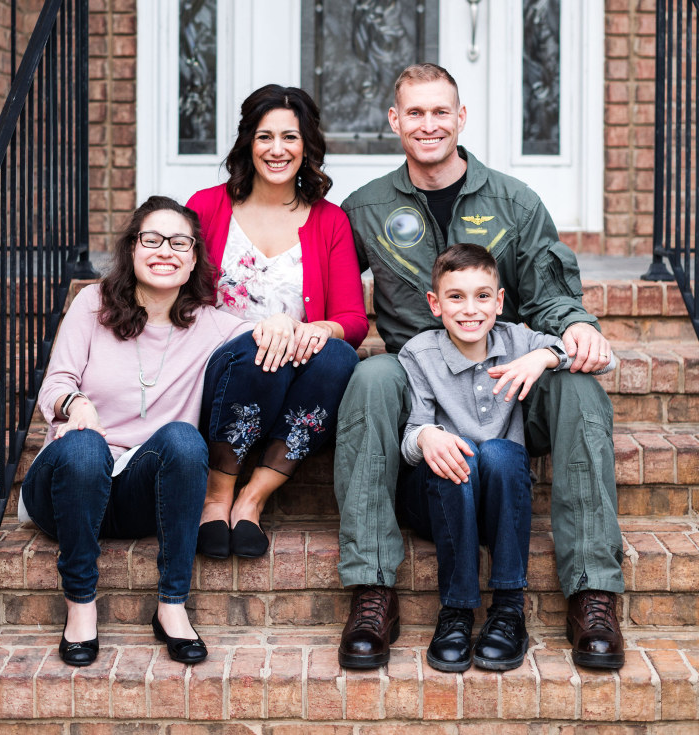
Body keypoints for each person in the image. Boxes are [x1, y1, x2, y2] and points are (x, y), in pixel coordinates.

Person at [334, 62, 625, 671]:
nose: (429, 123)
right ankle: (372, 588)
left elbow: (550, 294)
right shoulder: (365, 208)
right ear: (394, 121)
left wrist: (571, 329)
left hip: (506, 382)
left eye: (441, 111)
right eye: (415, 112)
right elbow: (327, 288)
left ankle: (592, 590)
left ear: (461, 118)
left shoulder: (514, 202)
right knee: (369, 375)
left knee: (580, 393)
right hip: (421, 386)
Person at [19, 196, 255, 667]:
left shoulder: (213, 326)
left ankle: (171, 608)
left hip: (140, 497)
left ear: (192, 261)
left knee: (185, 440)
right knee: (87, 447)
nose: (164, 250)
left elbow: (273, 335)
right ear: (132, 250)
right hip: (65, 485)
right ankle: (81, 608)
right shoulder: (93, 304)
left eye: (179, 242)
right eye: (151, 239)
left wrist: (299, 326)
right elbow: (57, 384)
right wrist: (76, 403)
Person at [399, 243, 615, 672]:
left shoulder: (518, 339)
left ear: (499, 301)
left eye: (482, 296)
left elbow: (606, 361)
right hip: (445, 500)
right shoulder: (419, 353)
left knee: (499, 453)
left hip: (503, 500)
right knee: (453, 450)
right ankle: (457, 611)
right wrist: (426, 437)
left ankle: (508, 610)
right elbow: (409, 437)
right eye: (455, 297)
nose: (469, 309)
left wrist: (545, 355)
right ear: (435, 304)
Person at [186, 84, 366, 560]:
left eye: (290, 136)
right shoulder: (207, 207)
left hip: (295, 371)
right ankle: (216, 494)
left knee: (337, 359)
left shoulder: (329, 221)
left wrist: (316, 328)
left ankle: (252, 498)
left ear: (307, 145)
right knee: (256, 352)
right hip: (221, 369)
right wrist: (257, 330)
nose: (277, 149)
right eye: (265, 136)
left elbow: (351, 317)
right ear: (249, 141)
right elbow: (177, 299)